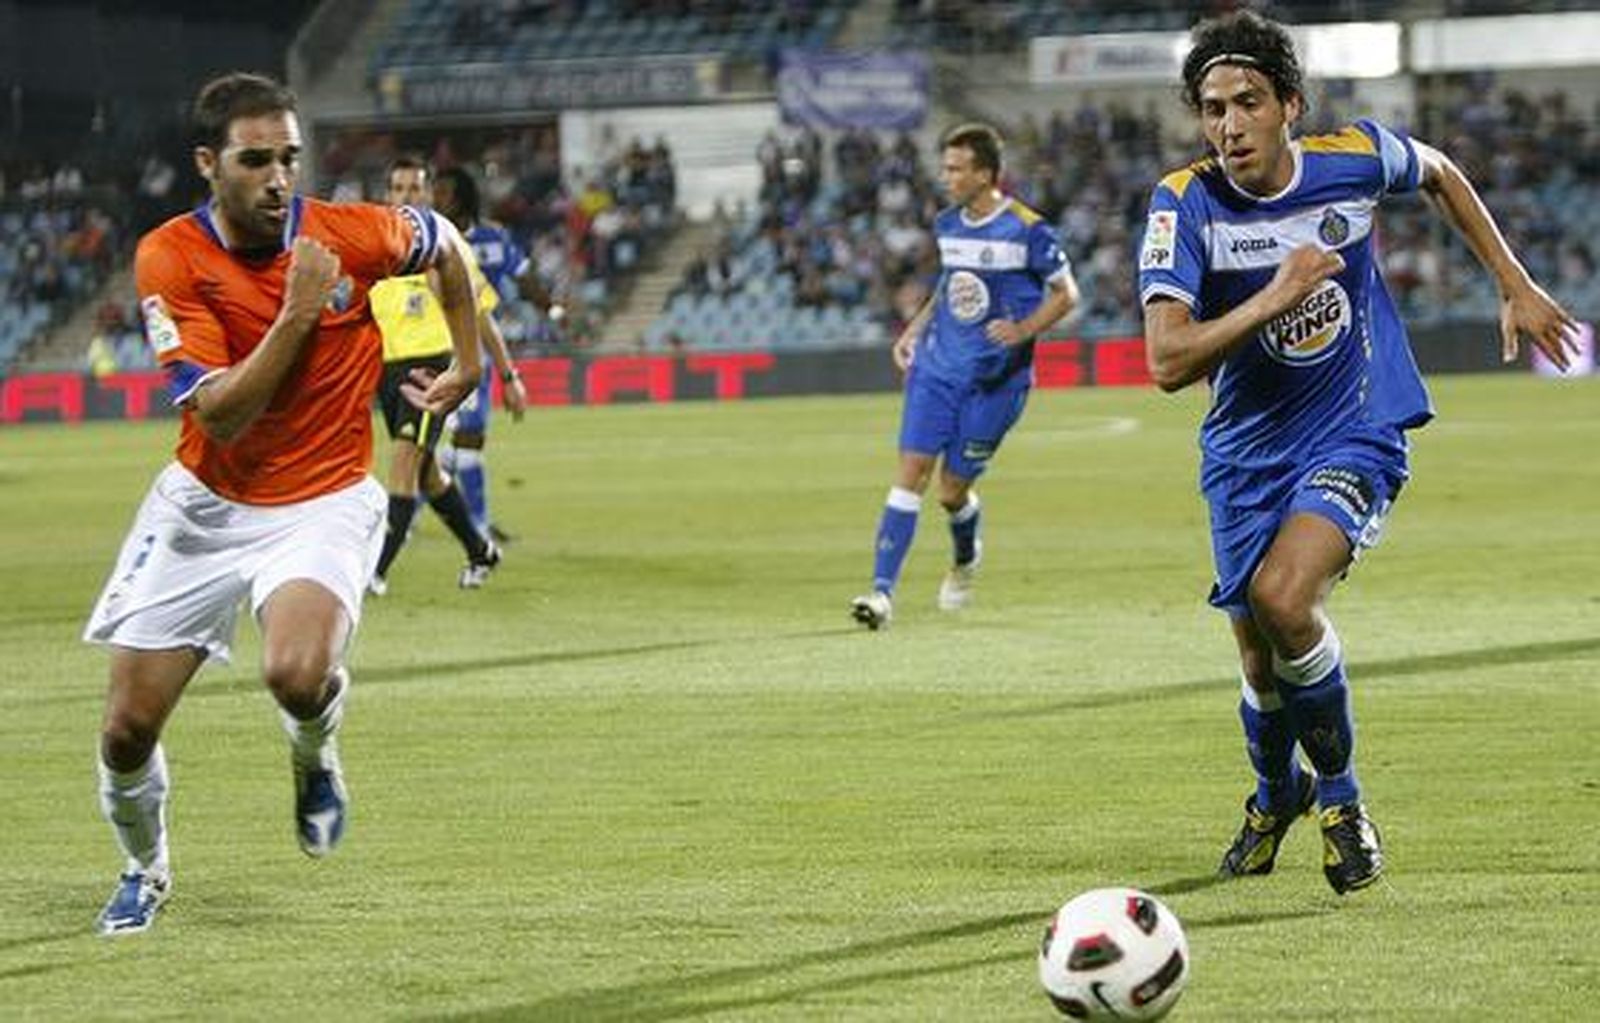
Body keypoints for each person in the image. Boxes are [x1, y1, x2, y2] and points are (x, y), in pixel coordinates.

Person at [1138, 11, 1580, 894]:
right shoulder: (1182, 203)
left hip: (1356, 427)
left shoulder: (1354, 157)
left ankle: (1342, 800)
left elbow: (1444, 173)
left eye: (1247, 103)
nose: (1227, 125)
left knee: (1284, 597)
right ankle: (1276, 792)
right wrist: (1275, 295)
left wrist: (1514, 278)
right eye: (1212, 108)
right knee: (1260, 656)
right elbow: (1166, 360)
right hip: (1245, 452)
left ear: (1288, 105)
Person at [83, 73, 481, 936]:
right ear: (208, 164)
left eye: (289, 158)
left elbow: (445, 239)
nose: (276, 177)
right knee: (124, 732)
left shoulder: (352, 233)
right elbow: (220, 413)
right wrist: (300, 312)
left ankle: (314, 755)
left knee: (296, 674)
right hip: (206, 506)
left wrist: (470, 356)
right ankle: (144, 868)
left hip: (326, 498)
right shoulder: (169, 257)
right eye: (254, 159)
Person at [850, 123, 1079, 629]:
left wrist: (1021, 331)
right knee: (910, 475)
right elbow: (950, 284)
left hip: (996, 383)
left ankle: (964, 557)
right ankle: (881, 594)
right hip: (937, 368)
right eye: (945, 166)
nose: (945, 176)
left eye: (956, 168)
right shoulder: (948, 224)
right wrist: (913, 329)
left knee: (951, 491)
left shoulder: (1028, 229)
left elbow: (1067, 295)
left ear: (985, 173)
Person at [368, 157, 517, 592]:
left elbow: (480, 313)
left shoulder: (446, 246)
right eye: (398, 189)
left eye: (415, 188)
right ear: (388, 194)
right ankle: (480, 550)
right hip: (388, 373)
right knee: (428, 473)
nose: (406, 196)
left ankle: (375, 571)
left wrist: (507, 374)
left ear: (429, 194)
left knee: (402, 465)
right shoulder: (381, 246)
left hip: (431, 370)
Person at [432, 164, 559, 542]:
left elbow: (524, 276)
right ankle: (476, 526)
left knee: (459, 443)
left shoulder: (493, 239)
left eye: (441, 192)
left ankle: (413, 504)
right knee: (464, 439)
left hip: (482, 347)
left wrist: (551, 308)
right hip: (443, 348)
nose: (434, 198)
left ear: (460, 198)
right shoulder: (433, 238)